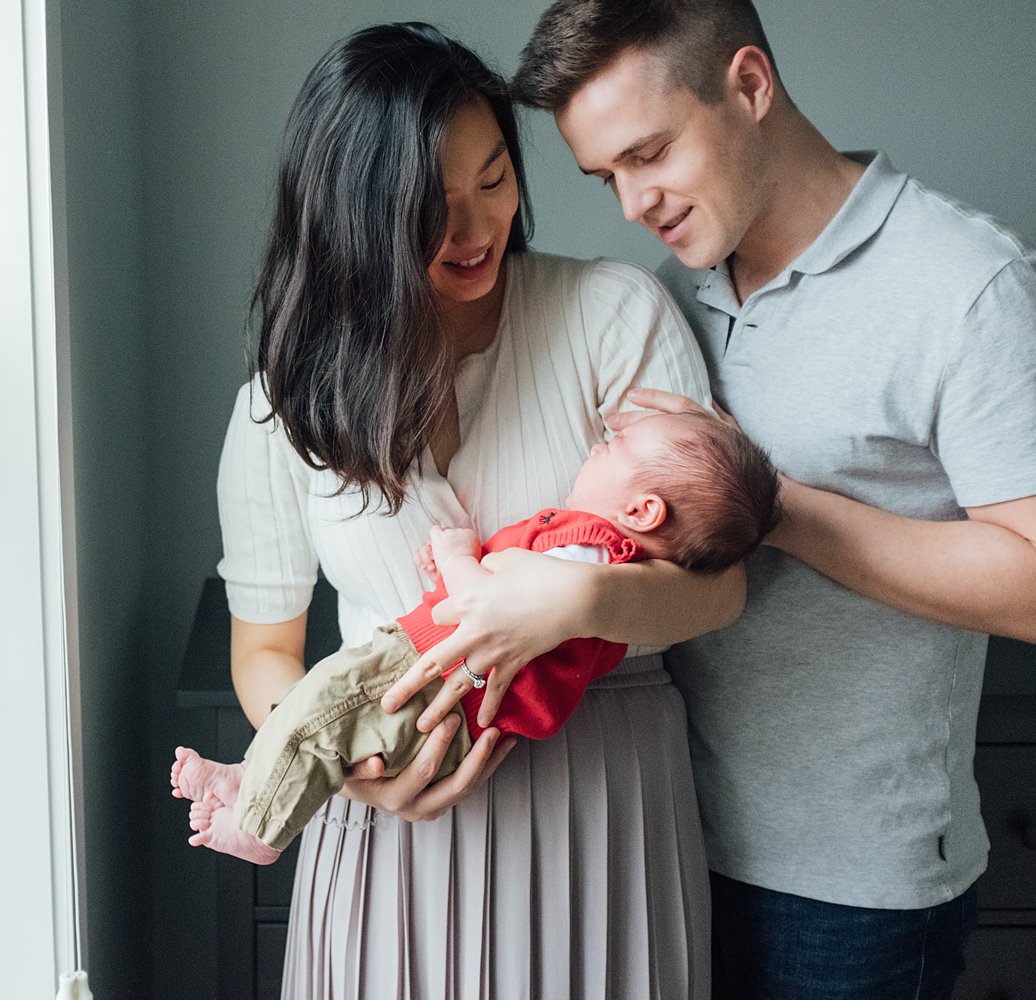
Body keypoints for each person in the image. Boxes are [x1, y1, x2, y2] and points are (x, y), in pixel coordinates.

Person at [499, 2, 1036, 997]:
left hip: (855, 895)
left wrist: (781, 509)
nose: (632, 201)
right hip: (662, 839)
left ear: (749, 86)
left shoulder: (966, 284)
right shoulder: (672, 290)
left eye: (649, 152)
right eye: (606, 175)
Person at [218, 21, 746, 998]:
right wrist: (359, 771)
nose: (475, 230)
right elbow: (263, 650)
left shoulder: (611, 316)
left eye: (494, 180)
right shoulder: (280, 404)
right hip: (386, 809)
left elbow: (715, 593)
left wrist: (571, 607)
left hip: (604, 795)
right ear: (353, 216)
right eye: (431, 206)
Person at [184, 411, 778, 867]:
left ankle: (261, 830)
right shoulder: (600, 558)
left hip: (420, 679)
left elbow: (483, 607)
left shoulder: (587, 552)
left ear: (644, 510)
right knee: (319, 720)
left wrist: (455, 551)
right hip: (443, 698)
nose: (600, 443)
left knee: (321, 708)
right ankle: (249, 786)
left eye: (617, 447)